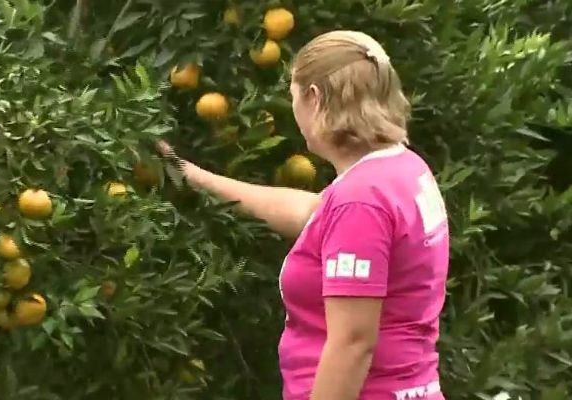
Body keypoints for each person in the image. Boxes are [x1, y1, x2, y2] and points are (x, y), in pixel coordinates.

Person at [156, 30, 449, 400]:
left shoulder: (360, 200)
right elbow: (311, 214)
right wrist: (192, 175)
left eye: (293, 96)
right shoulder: (402, 169)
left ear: (314, 98)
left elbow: (352, 345)